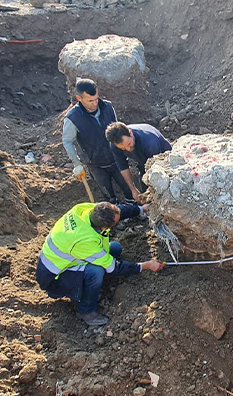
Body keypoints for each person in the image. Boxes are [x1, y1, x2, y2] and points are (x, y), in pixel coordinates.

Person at [35, 202, 164, 326]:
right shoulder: (84, 240)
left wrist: (140, 209)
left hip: (70, 257)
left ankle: (91, 283)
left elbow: (117, 211)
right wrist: (145, 265)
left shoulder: (88, 210)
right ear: (104, 228)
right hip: (55, 277)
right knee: (96, 272)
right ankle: (85, 311)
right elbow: (114, 267)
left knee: (115, 248)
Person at [62, 79, 134, 204]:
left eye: (96, 98)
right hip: (95, 164)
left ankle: (134, 208)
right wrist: (77, 164)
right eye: (90, 100)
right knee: (108, 195)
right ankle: (116, 216)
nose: (95, 103)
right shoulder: (73, 118)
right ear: (79, 98)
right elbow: (67, 141)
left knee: (127, 187)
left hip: (115, 158)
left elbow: (117, 129)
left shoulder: (108, 107)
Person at [105, 122, 172, 202]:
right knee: (144, 186)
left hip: (164, 160)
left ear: (131, 133)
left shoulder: (149, 142)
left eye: (129, 144)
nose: (128, 149)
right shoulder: (115, 146)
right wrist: (133, 189)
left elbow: (158, 171)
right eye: (123, 148)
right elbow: (123, 167)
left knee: (161, 191)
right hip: (143, 161)